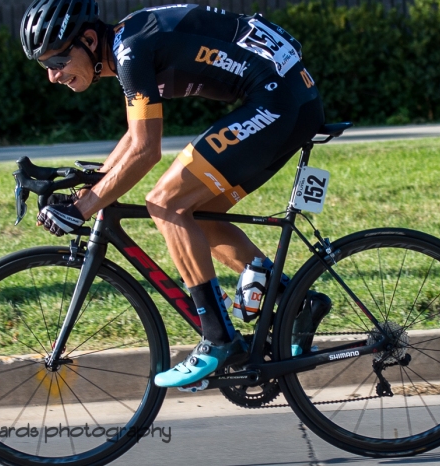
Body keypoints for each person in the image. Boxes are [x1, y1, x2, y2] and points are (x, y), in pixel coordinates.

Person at [20, 0, 331, 389]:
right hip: (287, 99)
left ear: (87, 39)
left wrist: (85, 206)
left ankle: (217, 339)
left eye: (57, 61)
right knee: (193, 213)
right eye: (45, 66)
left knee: (166, 203)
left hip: (277, 101)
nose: (52, 75)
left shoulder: (130, 51)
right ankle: (295, 300)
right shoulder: (128, 43)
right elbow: (134, 138)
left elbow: (146, 151)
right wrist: (90, 186)